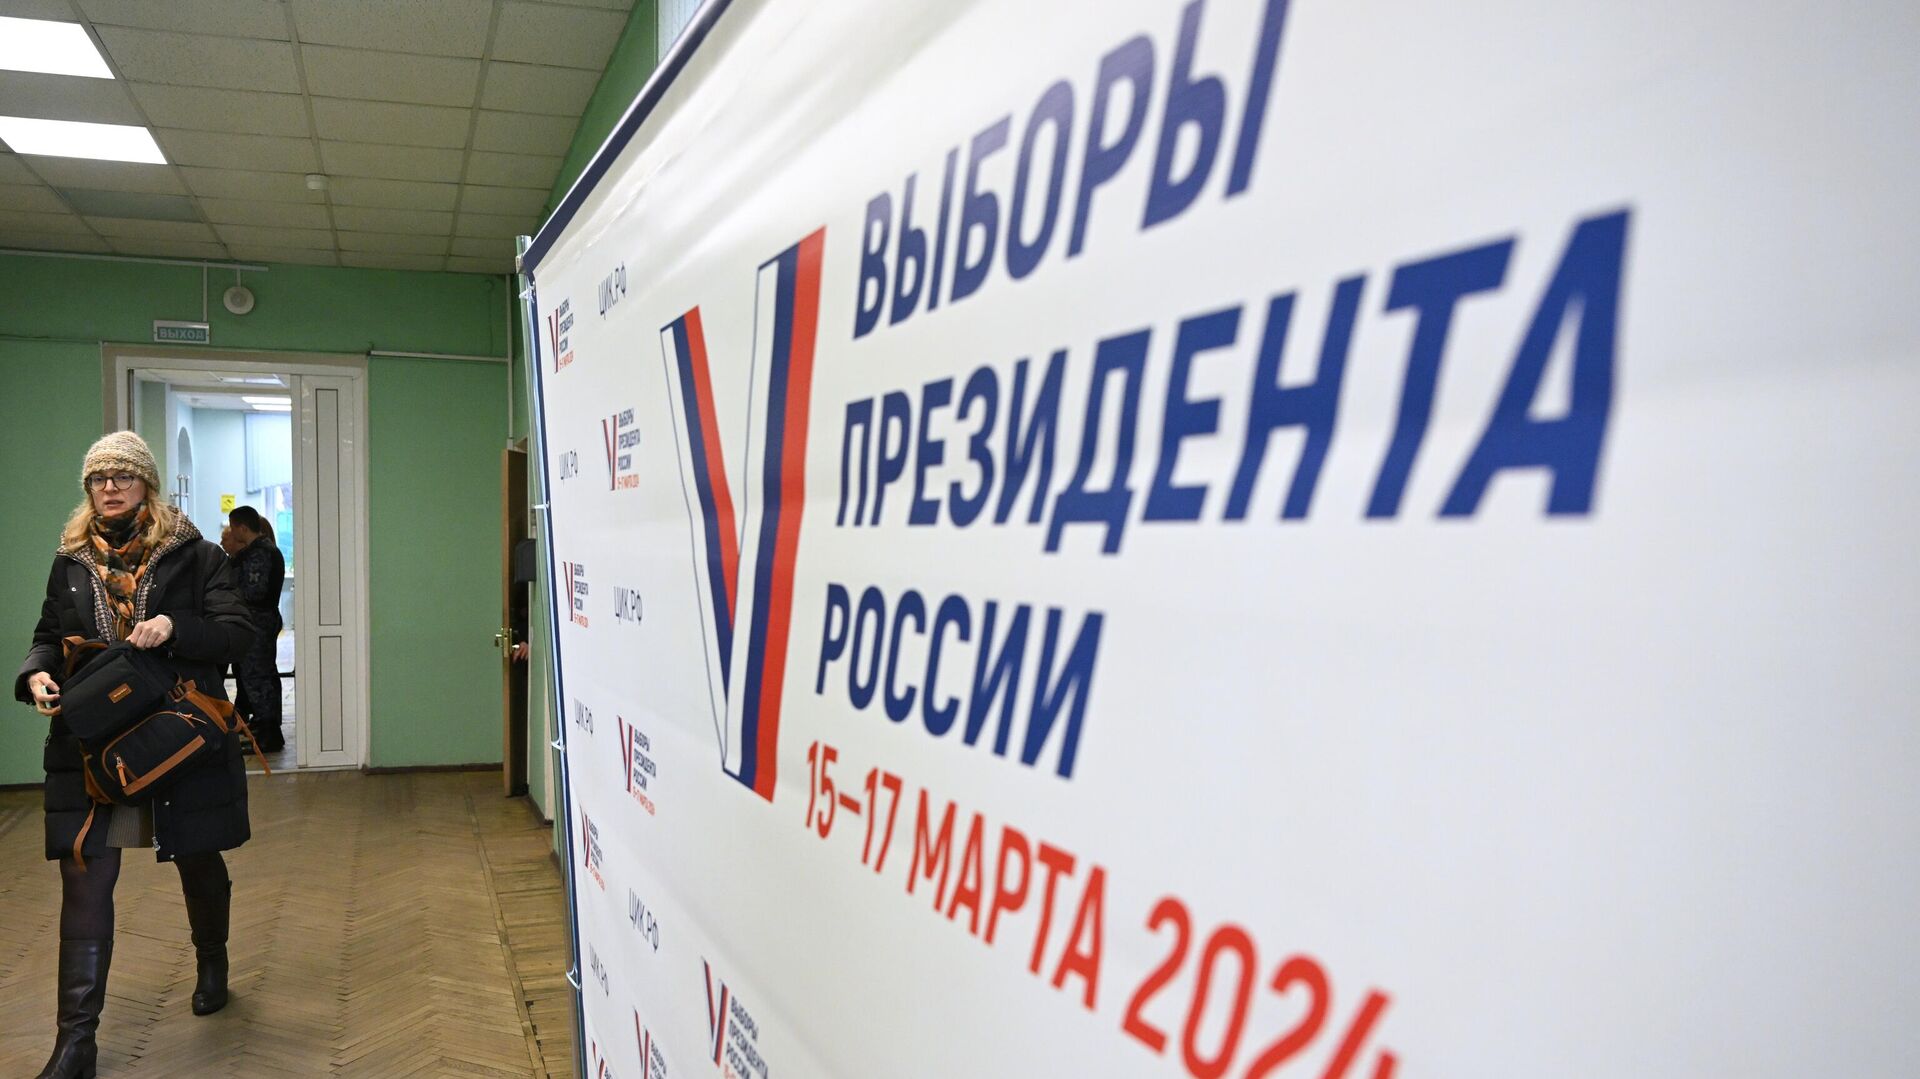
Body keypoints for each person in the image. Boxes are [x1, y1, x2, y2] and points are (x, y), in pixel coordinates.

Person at [15, 431, 254, 1079]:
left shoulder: (196, 554)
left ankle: (212, 959)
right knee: (84, 872)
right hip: (93, 743)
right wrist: (36, 671)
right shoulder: (70, 560)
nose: (110, 487)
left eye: (123, 475)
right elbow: (47, 634)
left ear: (147, 482)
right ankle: (76, 1043)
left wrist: (176, 626)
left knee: (198, 854)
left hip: (177, 735)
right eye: (99, 478)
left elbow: (239, 632)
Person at [225, 506, 286, 753]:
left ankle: (269, 734)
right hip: (255, 622)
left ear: (242, 528)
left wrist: (229, 595)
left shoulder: (260, 553)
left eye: (232, 528)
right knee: (259, 675)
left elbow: (255, 591)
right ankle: (263, 727)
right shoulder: (257, 551)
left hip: (257, 623)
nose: (231, 533)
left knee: (258, 677)